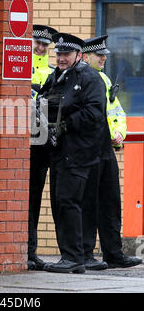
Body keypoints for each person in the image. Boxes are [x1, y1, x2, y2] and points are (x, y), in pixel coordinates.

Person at [38, 33, 107, 273]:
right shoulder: (57, 76)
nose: (61, 58)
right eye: (58, 54)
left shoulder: (89, 78)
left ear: (79, 55)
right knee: (62, 203)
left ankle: (74, 257)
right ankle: (75, 256)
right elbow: (45, 100)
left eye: (66, 54)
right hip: (58, 150)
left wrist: (67, 123)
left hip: (79, 151)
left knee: (69, 202)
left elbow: (94, 112)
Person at [82, 35, 142, 269]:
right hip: (89, 150)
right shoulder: (82, 78)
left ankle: (113, 253)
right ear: (86, 56)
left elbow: (116, 112)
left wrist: (119, 135)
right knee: (88, 203)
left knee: (110, 203)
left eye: (105, 54)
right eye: (100, 55)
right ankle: (86, 253)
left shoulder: (104, 78)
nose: (104, 58)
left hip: (106, 149)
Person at [28, 25, 58, 270]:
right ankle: (27, 252)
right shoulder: (20, 68)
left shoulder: (52, 72)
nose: (40, 48)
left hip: (43, 142)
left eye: (44, 45)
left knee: (35, 198)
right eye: (37, 43)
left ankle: (31, 252)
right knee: (25, 198)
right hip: (22, 142)